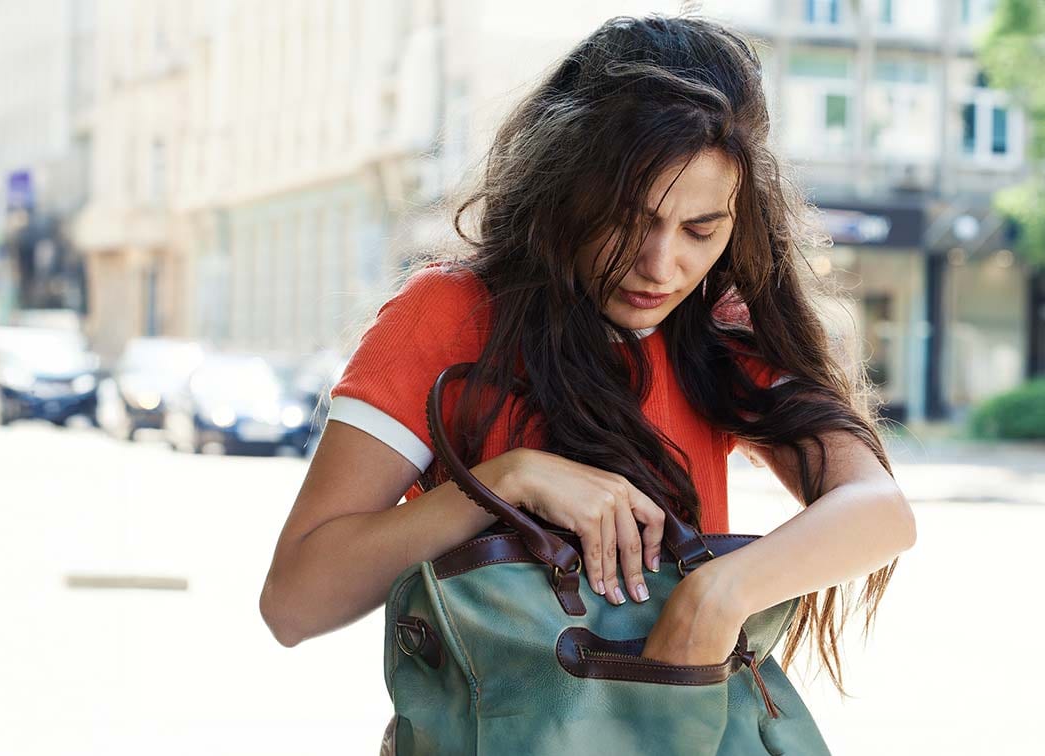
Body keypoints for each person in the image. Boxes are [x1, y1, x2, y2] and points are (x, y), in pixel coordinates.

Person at [258, 14, 914, 696]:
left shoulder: (720, 329)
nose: (662, 265)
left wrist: (718, 594)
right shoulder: (450, 315)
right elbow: (295, 601)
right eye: (631, 219)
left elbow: (878, 509)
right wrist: (506, 484)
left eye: (700, 229)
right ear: (567, 187)